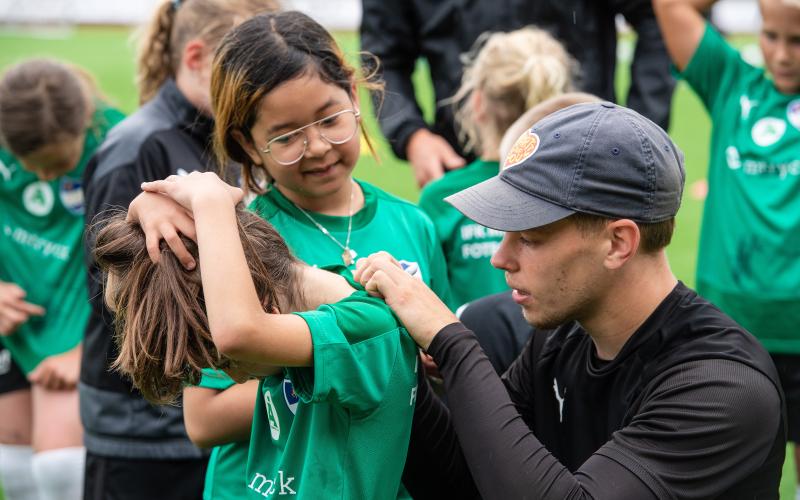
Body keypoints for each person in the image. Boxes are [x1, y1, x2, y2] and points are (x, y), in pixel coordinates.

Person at [355, 102, 786, 498]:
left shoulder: (723, 388)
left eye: (530, 238)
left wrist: (452, 342)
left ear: (618, 242)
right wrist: (393, 359)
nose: (500, 257)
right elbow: (463, 481)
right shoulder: (562, 338)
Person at [125, 10, 452, 499]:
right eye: (286, 135)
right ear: (247, 144)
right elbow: (205, 419)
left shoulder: (414, 224)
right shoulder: (238, 240)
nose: (317, 146)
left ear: (353, 95)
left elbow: (445, 367)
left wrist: (429, 364)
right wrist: (352, 366)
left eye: (330, 118)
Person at [96, 183, 419, 498]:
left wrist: (208, 198)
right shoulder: (319, 314)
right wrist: (148, 205)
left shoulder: (365, 331)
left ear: (261, 304)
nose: (235, 378)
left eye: (225, 362)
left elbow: (239, 333)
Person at [80, 1, 275, 499]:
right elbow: (110, 296)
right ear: (195, 57)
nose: (260, 84)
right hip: (142, 432)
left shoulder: (223, 139)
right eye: (245, 68)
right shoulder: (137, 147)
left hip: (210, 415)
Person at [653, 0, 800, 492]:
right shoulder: (732, 83)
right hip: (731, 329)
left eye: (796, 40)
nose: (781, 54)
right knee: (729, 473)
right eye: (770, 35)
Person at [360, 0, 676, 187]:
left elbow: (656, 17)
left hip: (586, 156)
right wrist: (412, 135)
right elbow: (382, 57)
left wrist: (638, 125)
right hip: (467, 160)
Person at [0, 59, 124, 500]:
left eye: (57, 164)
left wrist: (84, 348)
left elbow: (137, 261)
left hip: (80, 321)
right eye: (29, 164)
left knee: (58, 470)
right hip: (14, 317)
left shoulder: (119, 140)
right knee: (11, 468)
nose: (45, 178)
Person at [418, 26, 572, 310]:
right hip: (560, 352)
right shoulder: (572, 187)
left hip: (467, 351)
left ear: (477, 103)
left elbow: (426, 302)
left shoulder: (443, 196)